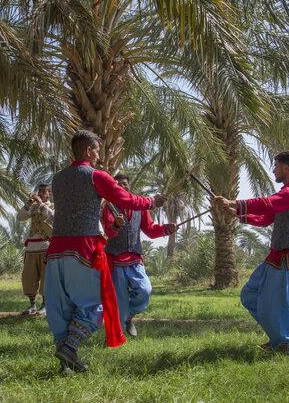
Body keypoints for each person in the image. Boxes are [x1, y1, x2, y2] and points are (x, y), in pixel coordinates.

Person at [45, 130, 167, 375]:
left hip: (56, 250)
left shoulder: (57, 179)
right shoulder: (95, 176)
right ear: (89, 151)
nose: (99, 156)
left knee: (61, 308)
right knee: (95, 305)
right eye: (97, 151)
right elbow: (126, 199)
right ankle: (70, 347)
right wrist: (152, 201)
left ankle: (67, 363)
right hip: (83, 250)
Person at [214, 150, 289, 355]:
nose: (273, 170)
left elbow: (266, 204)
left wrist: (234, 203)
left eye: (276, 166)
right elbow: (266, 218)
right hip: (275, 256)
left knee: (282, 303)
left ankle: (283, 344)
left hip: (287, 257)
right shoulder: (286, 194)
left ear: (286, 168)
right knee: (250, 294)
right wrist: (237, 213)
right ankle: (278, 339)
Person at [101, 174, 177, 338]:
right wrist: (115, 225)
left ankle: (130, 317)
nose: (123, 186)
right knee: (119, 302)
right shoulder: (109, 207)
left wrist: (166, 229)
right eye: (119, 184)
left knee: (145, 290)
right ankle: (117, 338)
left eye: (126, 184)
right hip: (115, 260)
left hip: (135, 259)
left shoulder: (139, 207)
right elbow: (108, 231)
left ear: (130, 186)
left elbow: (150, 229)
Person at [17, 183, 54, 316]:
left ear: (50, 194)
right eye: (40, 191)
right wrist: (29, 203)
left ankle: (45, 305)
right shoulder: (32, 208)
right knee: (29, 277)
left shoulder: (52, 207)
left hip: (46, 246)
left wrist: (41, 204)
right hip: (31, 247)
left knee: (46, 277)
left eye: (45, 191)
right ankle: (32, 305)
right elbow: (20, 217)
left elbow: (53, 217)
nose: (42, 193)